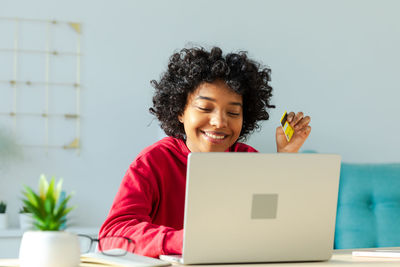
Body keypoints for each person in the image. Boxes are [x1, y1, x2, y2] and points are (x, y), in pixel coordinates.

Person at [99, 46, 311, 258]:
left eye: (233, 112)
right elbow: (112, 235)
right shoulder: (154, 161)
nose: (219, 122)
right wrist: (185, 240)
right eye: (205, 108)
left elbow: (281, 231)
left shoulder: (248, 160)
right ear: (180, 111)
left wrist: (286, 159)